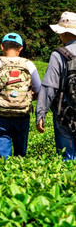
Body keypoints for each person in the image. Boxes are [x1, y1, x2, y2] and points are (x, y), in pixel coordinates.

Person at [0, 33, 41, 159]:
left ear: (2, 47)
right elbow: (39, 89)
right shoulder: (28, 64)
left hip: (1, 114)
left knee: (3, 158)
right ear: (21, 48)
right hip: (22, 114)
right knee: (20, 155)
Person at [36, 12, 76, 161]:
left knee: (67, 158)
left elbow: (49, 87)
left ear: (63, 33)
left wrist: (41, 113)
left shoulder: (59, 55)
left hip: (64, 114)